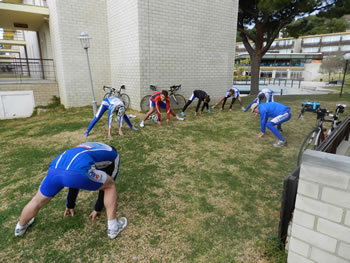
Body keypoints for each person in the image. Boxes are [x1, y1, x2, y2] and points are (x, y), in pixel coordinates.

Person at [14, 142, 127, 239]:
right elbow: (106, 183)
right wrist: (98, 208)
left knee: (37, 200)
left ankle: (20, 227)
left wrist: (70, 204)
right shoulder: (114, 155)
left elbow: (73, 181)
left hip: (54, 169)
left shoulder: (89, 147)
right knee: (110, 185)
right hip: (77, 170)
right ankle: (113, 227)